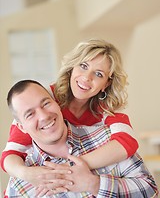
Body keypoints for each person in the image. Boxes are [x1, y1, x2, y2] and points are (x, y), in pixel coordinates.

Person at [1, 39, 138, 188]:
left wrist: (70, 167)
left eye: (98, 74)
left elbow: (127, 143)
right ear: (72, 67)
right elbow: (10, 155)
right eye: (83, 66)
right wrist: (27, 174)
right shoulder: (44, 98)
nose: (87, 77)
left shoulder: (107, 110)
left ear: (106, 84)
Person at [4, 80, 158, 197]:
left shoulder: (108, 140)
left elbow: (150, 189)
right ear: (21, 127)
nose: (44, 116)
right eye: (30, 114)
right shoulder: (20, 184)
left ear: (57, 103)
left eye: (45, 103)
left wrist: (95, 184)